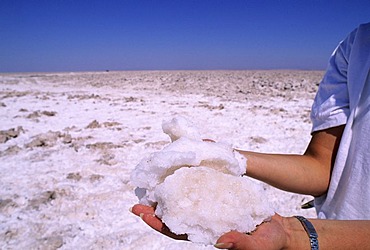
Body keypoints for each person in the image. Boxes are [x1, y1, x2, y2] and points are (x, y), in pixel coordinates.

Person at [131, 22, 370, 249]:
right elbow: (323, 168)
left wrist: (295, 236)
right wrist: (224, 156)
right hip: (330, 229)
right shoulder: (357, 45)